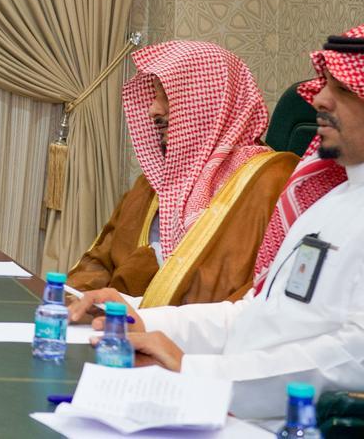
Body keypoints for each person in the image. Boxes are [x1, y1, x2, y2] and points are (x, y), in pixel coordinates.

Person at [69, 28, 364, 418]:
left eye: (342, 89)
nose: (319, 99)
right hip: (236, 405)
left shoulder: (278, 184)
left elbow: (353, 356)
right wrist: (142, 317)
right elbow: (255, 314)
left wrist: (198, 372)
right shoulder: (326, 201)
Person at [66, 41, 297, 307]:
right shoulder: (152, 184)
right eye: (154, 96)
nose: (153, 110)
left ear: (207, 102)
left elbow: (253, 296)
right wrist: (68, 303)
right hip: (114, 323)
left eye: (167, 96)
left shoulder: (271, 181)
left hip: (193, 331)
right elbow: (97, 263)